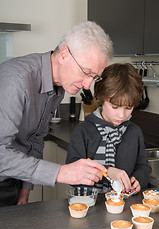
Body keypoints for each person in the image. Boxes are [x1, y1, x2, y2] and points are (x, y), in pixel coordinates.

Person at [0, 21, 113, 207]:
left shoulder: (58, 87)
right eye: (86, 72)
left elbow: (35, 139)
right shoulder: (16, 82)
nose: (87, 85)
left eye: (94, 77)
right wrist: (61, 172)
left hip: (13, 180)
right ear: (64, 54)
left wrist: (25, 188)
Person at [66, 63, 151, 194]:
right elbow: (72, 173)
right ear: (101, 98)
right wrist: (106, 171)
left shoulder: (135, 132)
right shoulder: (83, 131)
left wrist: (139, 179)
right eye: (115, 107)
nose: (122, 115)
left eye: (128, 108)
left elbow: (143, 167)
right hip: (88, 205)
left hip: (124, 205)